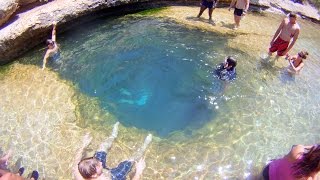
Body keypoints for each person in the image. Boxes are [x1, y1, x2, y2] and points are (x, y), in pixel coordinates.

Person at [73, 122, 152, 180]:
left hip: (103, 172)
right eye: (98, 164)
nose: (100, 162)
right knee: (131, 161)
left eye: (96, 161)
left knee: (102, 147)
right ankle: (145, 145)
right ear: (94, 175)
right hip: (115, 177)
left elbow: (76, 163)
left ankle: (113, 135)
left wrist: (83, 145)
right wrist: (138, 171)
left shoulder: (80, 175)